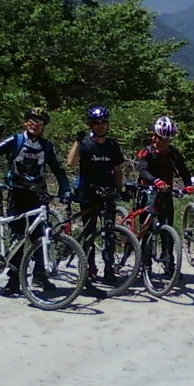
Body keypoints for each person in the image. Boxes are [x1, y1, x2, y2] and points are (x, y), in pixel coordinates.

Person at [0, 107, 72, 295]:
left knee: (40, 237)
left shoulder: (46, 146)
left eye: (40, 122)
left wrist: (65, 189)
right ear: (25, 122)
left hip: (38, 195)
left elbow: (57, 169)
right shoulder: (16, 139)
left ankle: (40, 275)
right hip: (17, 194)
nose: (35, 124)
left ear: (44, 126)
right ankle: (14, 280)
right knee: (17, 238)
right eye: (32, 121)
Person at [66, 104, 125, 283]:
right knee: (89, 233)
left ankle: (109, 268)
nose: (100, 126)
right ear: (90, 125)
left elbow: (117, 170)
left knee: (109, 232)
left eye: (103, 122)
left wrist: (120, 191)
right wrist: (77, 142)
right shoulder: (85, 144)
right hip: (88, 194)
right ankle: (89, 267)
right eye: (96, 123)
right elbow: (70, 163)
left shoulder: (112, 145)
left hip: (107, 193)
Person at [134, 115, 194, 230]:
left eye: (169, 140)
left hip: (166, 193)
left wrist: (188, 184)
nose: (165, 143)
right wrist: (156, 181)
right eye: (162, 139)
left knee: (167, 231)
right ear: (154, 137)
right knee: (146, 230)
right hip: (148, 193)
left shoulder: (174, 153)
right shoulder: (147, 152)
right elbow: (142, 171)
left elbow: (184, 171)